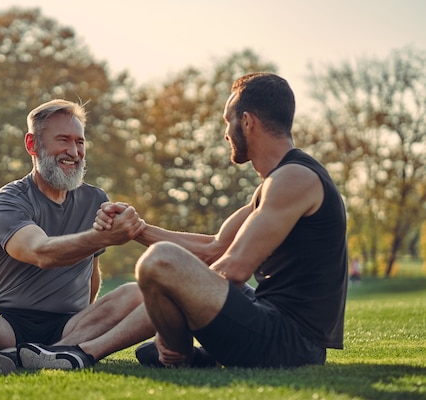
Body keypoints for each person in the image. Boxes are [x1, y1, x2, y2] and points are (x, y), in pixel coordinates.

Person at [20, 73, 348, 369]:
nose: (225, 133)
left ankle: (83, 353)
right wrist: (139, 229)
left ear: (247, 122)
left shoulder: (294, 179)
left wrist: (176, 315)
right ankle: (184, 357)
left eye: (227, 121)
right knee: (166, 271)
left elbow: (233, 269)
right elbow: (215, 247)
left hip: (291, 343)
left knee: (161, 262)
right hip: (270, 322)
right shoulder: (280, 181)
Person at [0, 99, 151, 377]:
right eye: (63, 140)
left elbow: (91, 273)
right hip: (7, 327)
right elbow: (40, 252)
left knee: (138, 292)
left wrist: (89, 321)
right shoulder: (7, 201)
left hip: (68, 330)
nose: (74, 151)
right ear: (32, 144)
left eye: (80, 142)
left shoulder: (95, 199)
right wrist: (102, 238)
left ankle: (50, 353)